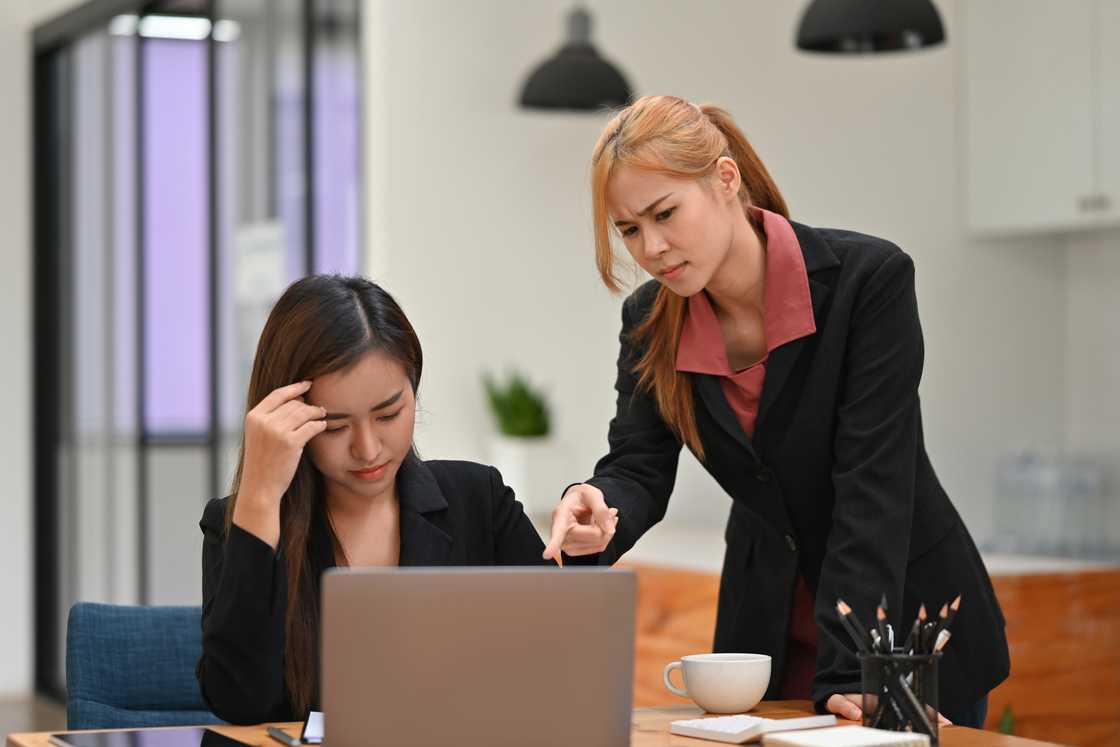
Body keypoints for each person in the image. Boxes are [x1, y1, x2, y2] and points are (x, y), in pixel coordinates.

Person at [542, 95, 1008, 728]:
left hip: (896, 624)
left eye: (665, 213)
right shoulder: (650, 320)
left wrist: (857, 669)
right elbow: (638, 465)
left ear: (725, 180)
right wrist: (598, 505)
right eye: (628, 229)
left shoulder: (867, 280)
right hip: (764, 624)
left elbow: (872, 483)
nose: (652, 247)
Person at [197, 275, 552, 724]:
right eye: (335, 426)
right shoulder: (241, 520)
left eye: (388, 414)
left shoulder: (480, 499)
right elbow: (238, 701)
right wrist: (260, 498)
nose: (367, 450)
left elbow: (559, 655)